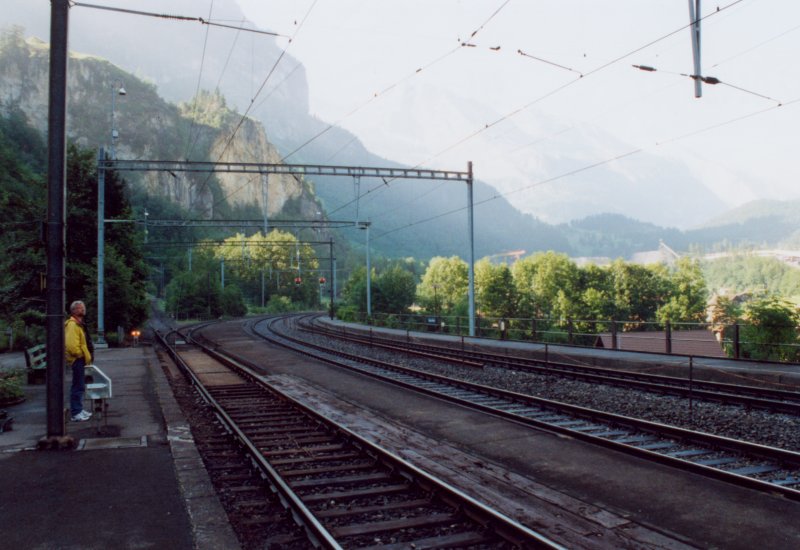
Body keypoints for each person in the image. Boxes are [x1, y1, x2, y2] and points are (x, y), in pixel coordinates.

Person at [65, 300, 93, 422]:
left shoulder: (78, 324)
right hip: (77, 359)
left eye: (83, 307)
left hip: (80, 360)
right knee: (78, 386)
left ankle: (79, 409)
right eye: (79, 308)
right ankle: (75, 412)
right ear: (73, 311)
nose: (82, 309)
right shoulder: (72, 325)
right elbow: (71, 345)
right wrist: (80, 355)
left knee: (80, 385)